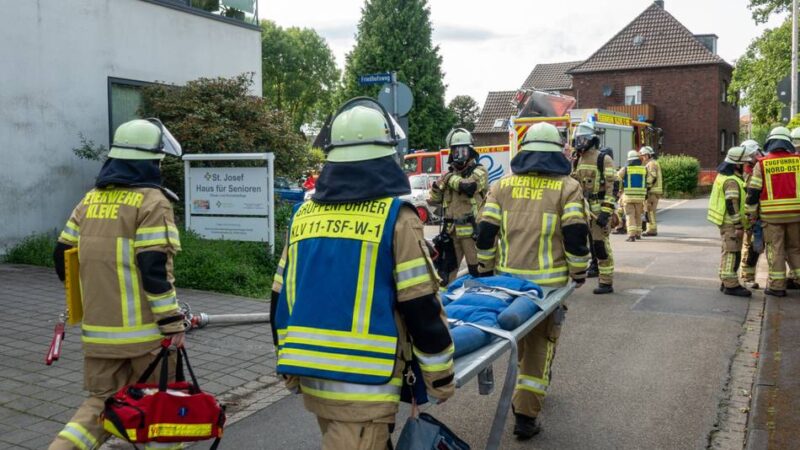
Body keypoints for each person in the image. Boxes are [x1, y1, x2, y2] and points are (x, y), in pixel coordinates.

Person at [271, 98, 455, 450]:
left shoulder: (302, 217)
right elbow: (420, 306)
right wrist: (440, 376)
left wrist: (287, 366)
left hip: (312, 375)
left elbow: (280, 298)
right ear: (387, 156)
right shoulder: (396, 219)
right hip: (366, 384)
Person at [49, 119, 187, 450]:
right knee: (161, 407)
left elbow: (62, 256)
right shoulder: (153, 202)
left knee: (101, 406)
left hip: (97, 335)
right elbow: (154, 269)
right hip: (146, 338)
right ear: (152, 161)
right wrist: (172, 323)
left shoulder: (90, 200)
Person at [475, 122, 591, 439]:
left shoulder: (501, 186)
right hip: (547, 289)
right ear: (556, 153)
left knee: (520, 341)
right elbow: (575, 234)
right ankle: (525, 416)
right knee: (540, 346)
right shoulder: (568, 187)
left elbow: (485, 233)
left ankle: (526, 397)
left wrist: (485, 269)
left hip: (507, 285)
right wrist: (579, 272)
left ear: (524, 151)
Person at [427, 128, 489, 283]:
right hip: (451, 233)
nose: (459, 155)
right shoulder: (449, 175)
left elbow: (469, 187)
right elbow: (435, 199)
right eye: (456, 151)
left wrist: (448, 179)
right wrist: (436, 187)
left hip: (472, 234)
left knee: (478, 272)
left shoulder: (479, 171)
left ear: (470, 151)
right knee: (445, 273)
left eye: (463, 151)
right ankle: (445, 298)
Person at [745, 127, 800, 297]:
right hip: (796, 215)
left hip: (771, 217)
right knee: (795, 249)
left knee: (776, 250)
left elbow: (753, 193)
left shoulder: (762, 164)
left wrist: (751, 215)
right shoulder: (798, 161)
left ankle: (777, 287)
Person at [571, 122, 617, 294]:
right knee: (584, 243)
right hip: (583, 209)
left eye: (582, 139)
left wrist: (606, 211)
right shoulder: (578, 159)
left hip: (598, 211)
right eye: (578, 139)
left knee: (600, 245)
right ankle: (590, 269)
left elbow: (613, 188)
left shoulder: (603, 159)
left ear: (591, 139)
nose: (579, 143)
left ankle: (606, 282)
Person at [708, 147, 753, 297]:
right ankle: (731, 285)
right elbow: (731, 204)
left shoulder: (725, 176)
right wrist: (738, 225)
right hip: (731, 223)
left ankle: (725, 280)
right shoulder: (732, 180)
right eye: (744, 163)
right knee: (732, 253)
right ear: (737, 164)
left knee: (727, 251)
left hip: (726, 221)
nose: (746, 166)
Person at [738, 140, 763, 289]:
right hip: (752, 215)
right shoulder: (747, 170)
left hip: (763, 213)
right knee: (751, 247)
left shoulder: (760, 164)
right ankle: (747, 277)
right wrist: (751, 216)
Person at [617, 151, 648, 242]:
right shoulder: (644, 169)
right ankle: (638, 233)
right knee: (638, 215)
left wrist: (619, 189)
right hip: (640, 197)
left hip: (628, 197)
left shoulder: (626, 169)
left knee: (630, 215)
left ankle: (631, 235)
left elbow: (617, 177)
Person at [639, 146, 663, 236]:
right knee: (649, 211)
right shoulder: (653, 163)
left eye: (644, 155)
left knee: (650, 211)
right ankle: (650, 229)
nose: (643, 158)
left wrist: (646, 187)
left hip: (652, 192)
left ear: (648, 155)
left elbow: (652, 177)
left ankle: (652, 230)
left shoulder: (651, 164)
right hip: (654, 191)